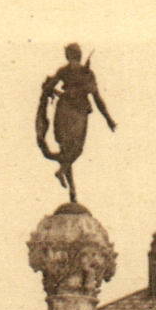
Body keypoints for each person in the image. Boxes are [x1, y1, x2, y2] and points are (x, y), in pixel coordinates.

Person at [36, 43, 116, 202]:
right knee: (76, 149)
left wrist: (54, 91)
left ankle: (72, 192)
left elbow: (47, 88)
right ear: (79, 55)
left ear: (68, 56)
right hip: (78, 112)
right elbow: (97, 98)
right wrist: (108, 119)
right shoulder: (87, 73)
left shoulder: (63, 71)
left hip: (63, 109)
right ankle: (63, 173)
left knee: (65, 150)